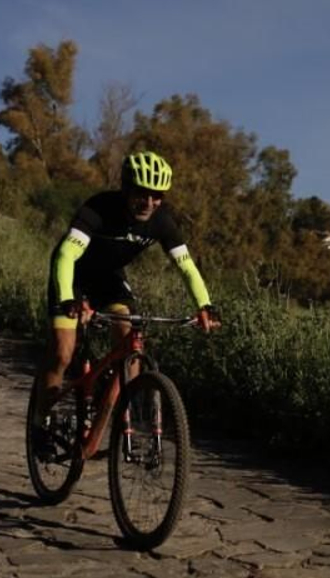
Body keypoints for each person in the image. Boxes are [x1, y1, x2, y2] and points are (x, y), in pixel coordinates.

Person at [34, 151, 219, 420]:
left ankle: (106, 420)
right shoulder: (99, 208)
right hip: (72, 276)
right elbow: (65, 255)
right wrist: (67, 298)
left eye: (157, 196)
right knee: (62, 352)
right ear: (126, 189)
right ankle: (42, 419)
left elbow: (186, 267)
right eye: (142, 194)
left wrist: (204, 305)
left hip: (108, 278)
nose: (149, 202)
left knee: (131, 345)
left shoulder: (161, 222)